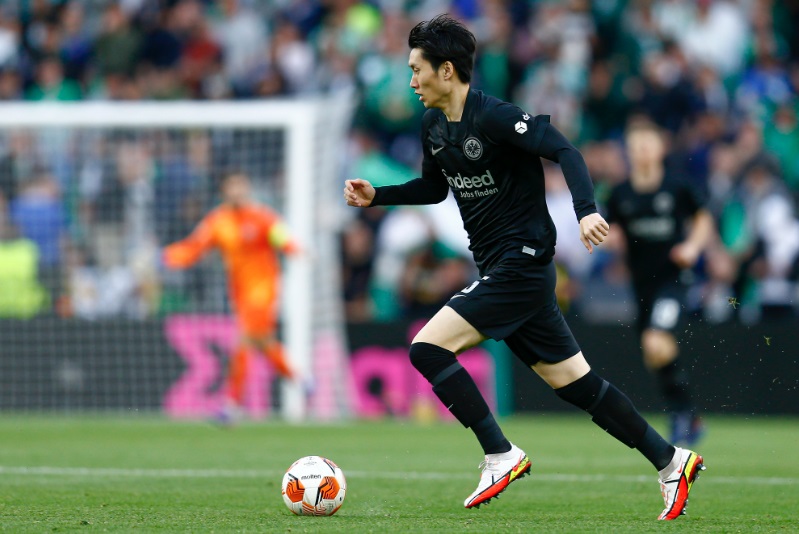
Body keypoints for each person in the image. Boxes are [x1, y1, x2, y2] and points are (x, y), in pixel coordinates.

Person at [343, 15, 704, 520]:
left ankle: (500, 453)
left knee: (427, 348)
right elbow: (434, 188)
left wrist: (586, 210)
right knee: (578, 385)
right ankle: (671, 460)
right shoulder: (432, 126)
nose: (411, 81)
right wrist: (378, 195)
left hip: (523, 264)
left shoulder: (495, 116)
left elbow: (565, 150)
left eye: (416, 69)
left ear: (446, 71)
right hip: (506, 271)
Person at [605, 119, 714, 445]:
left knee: (656, 340)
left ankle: (683, 413)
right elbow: (611, 229)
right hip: (642, 286)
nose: (641, 151)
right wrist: (607, 239)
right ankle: (690, 414)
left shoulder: (677, 187)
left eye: (647, 144)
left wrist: (692, 247)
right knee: (654, 353)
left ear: (660, 148)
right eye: (635, 146)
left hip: (673, 280)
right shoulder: (620, 193)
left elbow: (703, 218)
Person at [163, 172, 300, 422]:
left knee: (245, 340)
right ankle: (300, 380)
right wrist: (167, 256)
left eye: (240, 186)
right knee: (263, 342)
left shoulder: (262, 216)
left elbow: (281, 237)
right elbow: (194, 248)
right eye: (232, 186)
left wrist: (295, 248)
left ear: (247, 188)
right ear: (224, 192)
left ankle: (231, 405)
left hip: (264, 288)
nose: (237, 191)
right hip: (239, 292)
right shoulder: (218, 222)